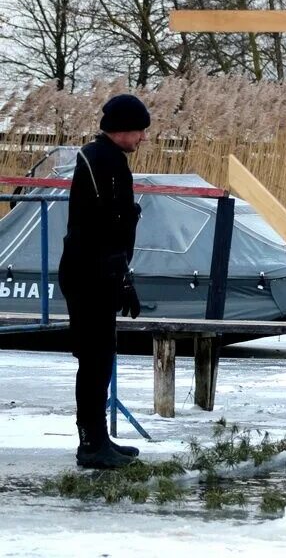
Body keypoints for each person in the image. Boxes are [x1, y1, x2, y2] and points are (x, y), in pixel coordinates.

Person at [58, 94, 148, 468]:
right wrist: (118, 273)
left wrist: (122, 275)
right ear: (122, 129)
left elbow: (110, 222)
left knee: (100, 357)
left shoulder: (104, 159)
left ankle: (97, 437)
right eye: (140, 130)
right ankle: (91, 443)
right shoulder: (103, 161)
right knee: (95, 359)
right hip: (90, 272)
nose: (143, 138)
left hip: (94, 269)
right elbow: (105, 223)